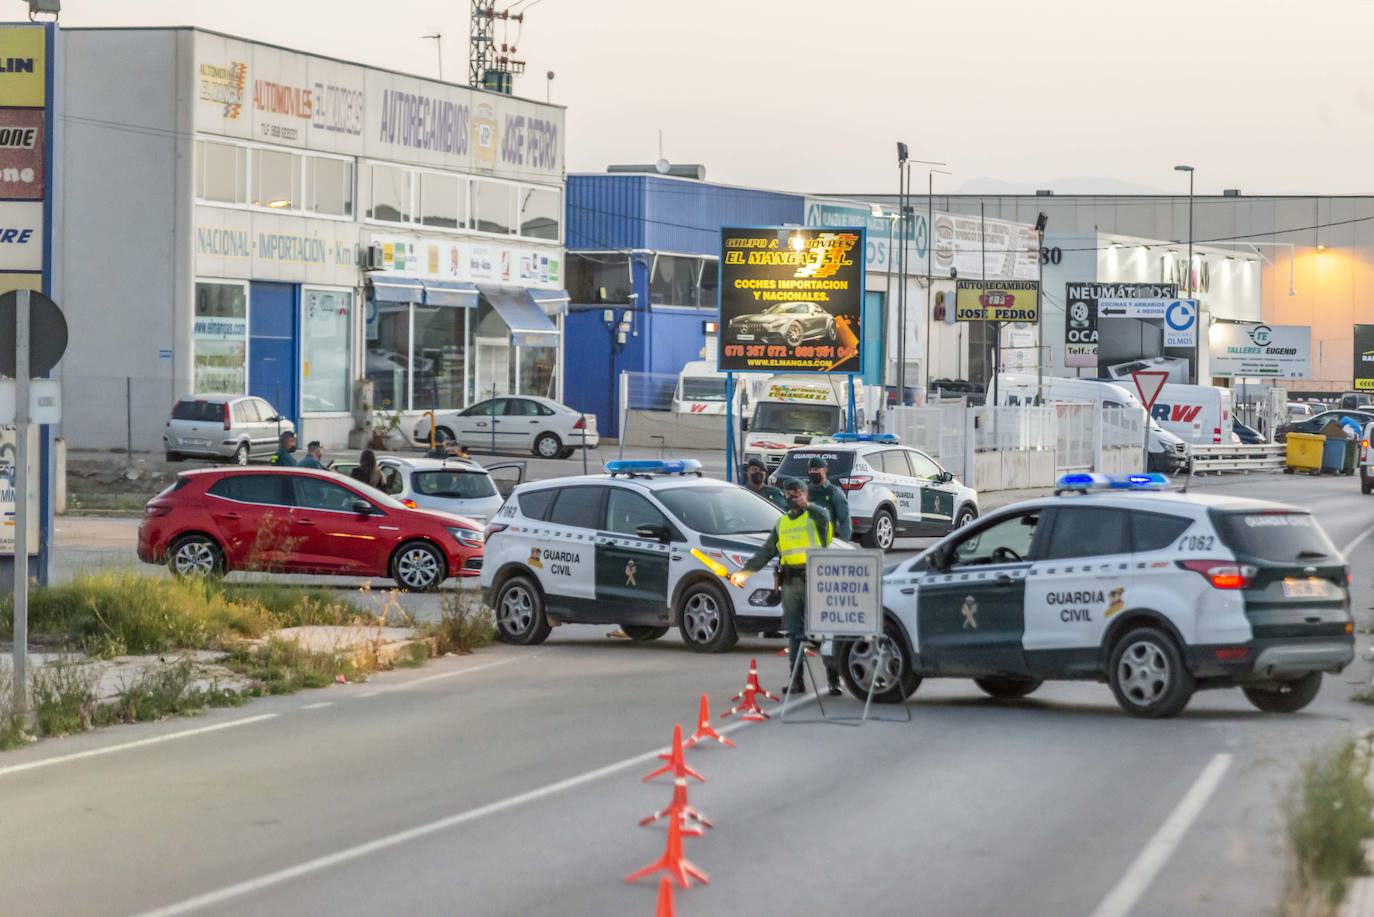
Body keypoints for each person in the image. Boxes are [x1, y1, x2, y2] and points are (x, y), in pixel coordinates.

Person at [728, 478, 831, 694]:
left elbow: (825, 518)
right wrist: (744, 573)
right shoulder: (782, 523)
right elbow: (766, 552)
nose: (793, 497)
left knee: (825, 631)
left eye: (798, 492)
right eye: (790, 493)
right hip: (791, 583)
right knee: (794, 634)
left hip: (815, 581)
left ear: (805, 493)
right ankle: (796, 680)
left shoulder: (815, 517)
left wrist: (808, 505)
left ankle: (834, 681)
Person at [805, 455, 851, 694]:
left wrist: (839, 551)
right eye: (811, 468)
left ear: (826, 470)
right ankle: (799, 681)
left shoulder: (833, 494)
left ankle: (833, 679)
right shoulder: (803, 493)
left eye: (818, 468)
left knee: (828, 624)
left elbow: (845, 525)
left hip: (827, 560)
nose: (814, 472)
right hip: (804, 560)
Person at [806, 455, 852, 541]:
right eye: (810, 470)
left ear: (825, 470)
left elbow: (844, 522)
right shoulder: (805, 491)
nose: (812, 472)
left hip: (826, 540)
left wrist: (842, 544)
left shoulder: (834, 493)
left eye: (816, 469)